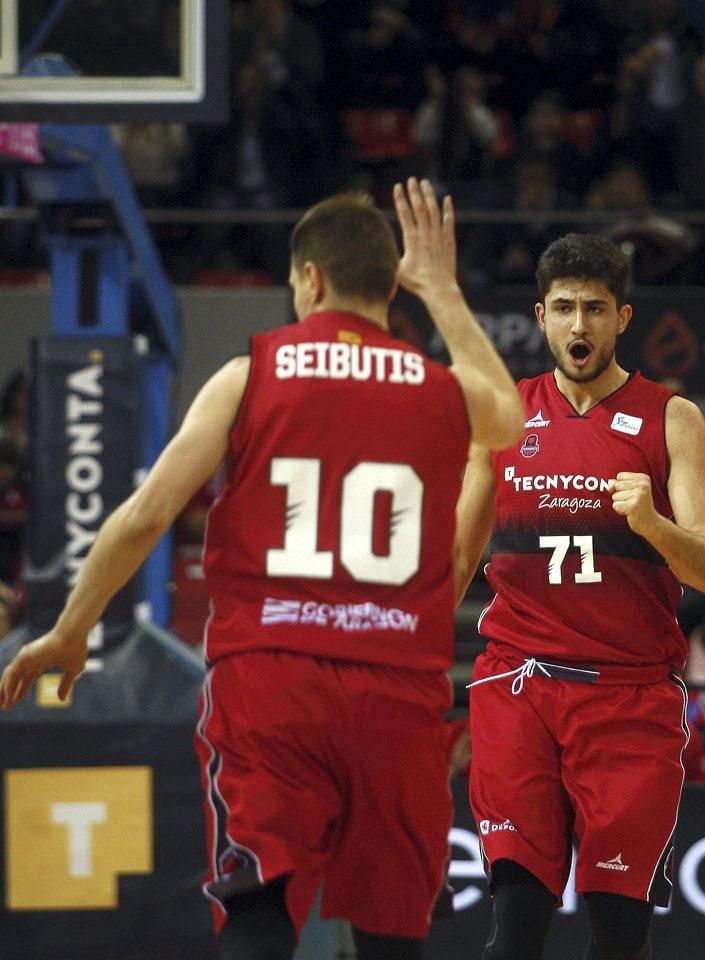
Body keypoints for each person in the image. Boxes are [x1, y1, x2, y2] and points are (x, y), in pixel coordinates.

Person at [0, 179, 524, 960]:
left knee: (257, 908)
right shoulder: (441, 387)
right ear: (389, 285)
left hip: (270, 683)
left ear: (310, 279)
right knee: (389, 932)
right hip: (395, 690)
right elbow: (510, 421)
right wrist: (444, 295)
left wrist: (70, 628)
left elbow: (146, 514)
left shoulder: (252, 372)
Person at [453, 233, 705, 960]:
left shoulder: (674, 419)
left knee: (617, 933)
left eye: (597, 310)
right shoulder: (504, 417)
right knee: (514, 919)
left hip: (630, 699)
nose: (581, 326)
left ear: (623, 319)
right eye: (567, 309)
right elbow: (455, 558)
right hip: (520, 685)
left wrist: (654, 524)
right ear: (541, 317)